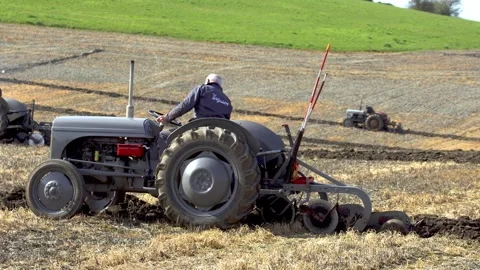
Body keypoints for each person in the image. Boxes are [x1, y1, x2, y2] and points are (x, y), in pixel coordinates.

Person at [156, 74, 233, 155]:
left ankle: (164, 166)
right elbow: (227, 121)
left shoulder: (202, 89)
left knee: (163, 136)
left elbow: (185, 106)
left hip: (198, 129)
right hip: (217, 135)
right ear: (220, 85)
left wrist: (167, 117)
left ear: (208, 81)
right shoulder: (227, 101)